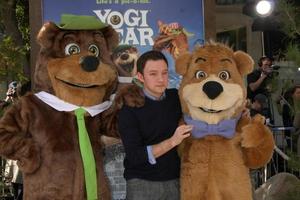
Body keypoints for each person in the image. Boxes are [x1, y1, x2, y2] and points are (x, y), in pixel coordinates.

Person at [117, 50, 192, 200]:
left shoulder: (175, 98)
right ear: (140, 76)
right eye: (153, 74)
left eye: (164, 73)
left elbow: (202, 114)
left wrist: (238, 116)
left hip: (175, 180)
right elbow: (135, 156)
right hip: (142, 183)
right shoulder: (129, 109)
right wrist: (172, 141)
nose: (161, 79)